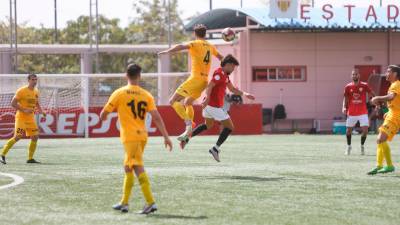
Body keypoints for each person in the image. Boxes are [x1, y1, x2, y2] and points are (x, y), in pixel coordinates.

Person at [100, 63, 173, 213]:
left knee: (137, 167)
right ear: (139, 76)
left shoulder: (119, 93)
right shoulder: (146, 95)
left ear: (126, 75)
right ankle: (124, 202)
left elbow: (104, 113)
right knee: (129, 167)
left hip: (130, 137)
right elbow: (157, 118)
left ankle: (150, 202)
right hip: (142, 136)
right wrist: (166, 136)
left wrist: (104, 116)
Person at [180, 54, 255, 162]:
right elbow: (210, 86)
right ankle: (215, 149)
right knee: (230, 127)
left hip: (209, 106)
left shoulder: (225, 75)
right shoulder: (219, 74)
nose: (234, 69)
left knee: (208, 125)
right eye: (233, 67)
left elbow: (232, 89)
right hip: (213, 106)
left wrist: (245, 94)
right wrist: (207, 98)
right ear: (228, 65)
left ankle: (187, 138)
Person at [158, 24, 223, 141]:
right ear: (205, 34)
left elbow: (180, 46)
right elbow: (221, 58)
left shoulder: (195, 43)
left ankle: (188, 123)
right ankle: (191, 124)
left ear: (195, 34)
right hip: (204, 81)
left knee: (172, 101)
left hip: (195, 79)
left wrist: (167, 51)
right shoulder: (210, 46)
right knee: (188, 102)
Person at [1, 74, 45, 164]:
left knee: (35, 136)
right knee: (18, 137)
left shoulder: (36, 91)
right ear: (28, 80)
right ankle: (2, 154)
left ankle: (30, 158)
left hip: (31, 118)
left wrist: (41, 111)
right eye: (33, 80)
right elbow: (13, 103)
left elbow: (36, 103)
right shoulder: (21, 91)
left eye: (36, 80)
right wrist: (24, 109)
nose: (35, 81)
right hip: (21, 118)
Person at [367, 65, 400, 175]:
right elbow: (394, 101)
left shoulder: (396, 84)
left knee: (381, 139)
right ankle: (379, 166)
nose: (386, 73)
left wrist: (377, 98)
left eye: (388, 71)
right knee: (379, 140)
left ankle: (389, 166)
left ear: (395, 74)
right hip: (392, 114)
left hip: (394, 117)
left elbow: (391, 97)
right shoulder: (393, 85)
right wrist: (389, 110)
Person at [342, 69, 375, 155]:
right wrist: (344, 107)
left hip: (363, 112)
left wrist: (375, 100)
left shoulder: (364, 85)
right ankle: (349, 146)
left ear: (359, 75)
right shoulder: (348, 86)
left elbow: (371, 93)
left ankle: (362, 146)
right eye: (353, 74)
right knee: (348, 131)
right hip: (351, 112)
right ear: (351, 76)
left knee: (365, 130)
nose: (354, 76)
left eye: (356, 74)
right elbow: (345, 98)